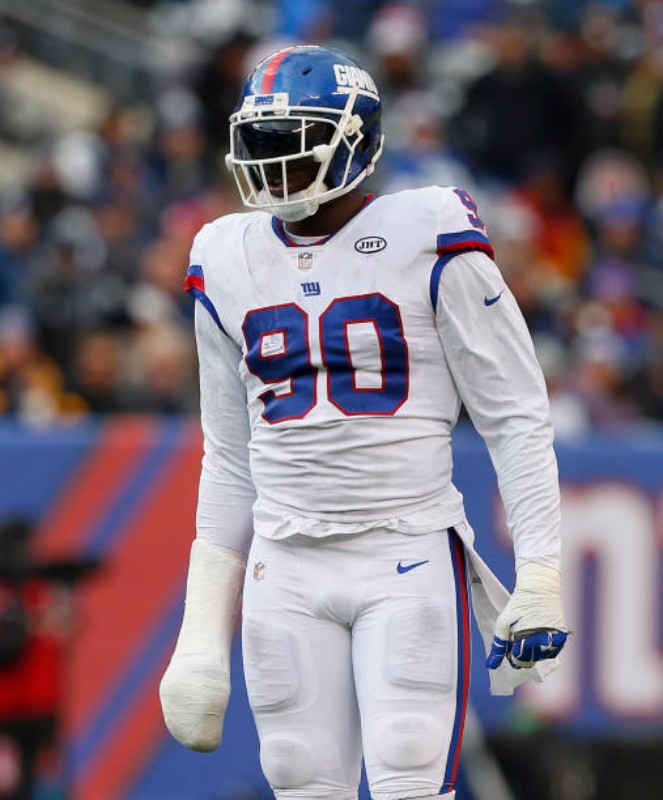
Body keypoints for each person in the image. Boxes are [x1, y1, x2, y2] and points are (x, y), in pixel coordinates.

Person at [160, 45, 568, 800]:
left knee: (410, 767)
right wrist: (199, 633)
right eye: (260, 139)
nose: (271, 160)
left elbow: (514, 414)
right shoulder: (223, 253)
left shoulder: (429, 229)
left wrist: (540, 569)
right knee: (296, 774)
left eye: (292, 139)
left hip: (404, 544)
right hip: (283, 558)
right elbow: (230, 455)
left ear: (352, 140)